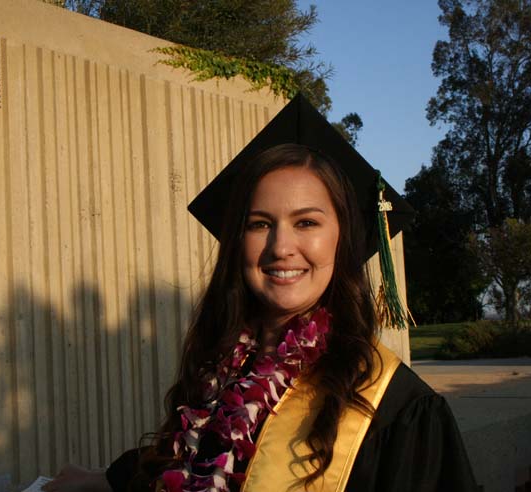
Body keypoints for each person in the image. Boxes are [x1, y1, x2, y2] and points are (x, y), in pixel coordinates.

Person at [43, 95, 477, 492]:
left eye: (306, 222)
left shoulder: (397, 410)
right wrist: (105, 479)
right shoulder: (221, 368)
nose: (280, 247)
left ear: (342, 240)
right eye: (259, 223)